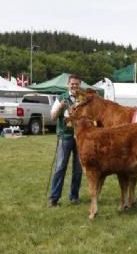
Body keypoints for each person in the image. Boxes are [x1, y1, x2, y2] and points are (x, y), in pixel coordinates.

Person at [48, 74, 83, 207]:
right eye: (72, 84)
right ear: (68, 84)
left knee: (78, 169)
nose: (74, 86)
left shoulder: (82, 98)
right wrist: (60, 107)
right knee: (60, 167)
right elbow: (52, 117)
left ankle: (74, 196)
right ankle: (54, 198)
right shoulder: (61, 97)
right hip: (65, 136)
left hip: (80, 137)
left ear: (80, 85)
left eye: (77, 84)